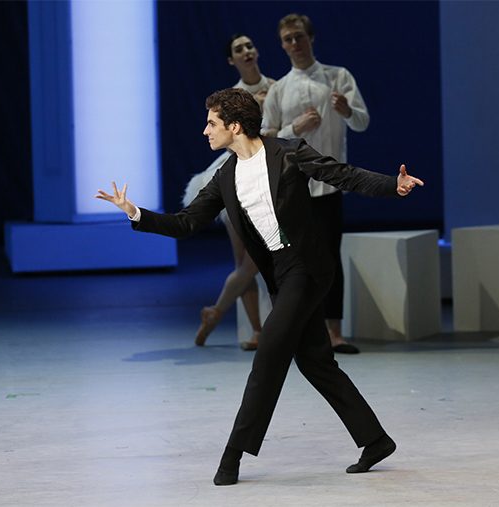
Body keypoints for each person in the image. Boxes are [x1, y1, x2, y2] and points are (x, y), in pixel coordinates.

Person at [95, 88, 423, 486]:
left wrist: (393, 184)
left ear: (234, 126)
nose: (205, 131)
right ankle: (375, 440)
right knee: (316, 363)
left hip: (308, 266)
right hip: (281, 274)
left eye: (212, 123)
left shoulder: (288, 153)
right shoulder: (226, 175)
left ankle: (232, 456)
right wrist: (135, 213)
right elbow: (186, 223)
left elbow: (343, 174)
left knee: (268, 356)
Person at [263, 14, 369, 354]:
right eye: (288, 39)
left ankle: (334, 332)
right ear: (282, 45)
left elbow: (363, 122)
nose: (295, 44)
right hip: (292, 188)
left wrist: (347, 110)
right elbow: (266, 137)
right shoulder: (279, 88)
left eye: (299, 37)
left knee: (328, 259)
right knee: (292, 262)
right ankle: (295, 331)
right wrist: (295, 127)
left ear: (310, 38)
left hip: (328, 186)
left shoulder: (338, 77)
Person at [184, 33, 276, 350]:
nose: (246, 52)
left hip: (266, 175)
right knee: (245, 263)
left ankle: (216, 311)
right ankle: (258, 331)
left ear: (257, 50)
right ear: (231, 60)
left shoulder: (277, 87)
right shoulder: (232, 98)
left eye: (249, 46)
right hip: (239, 176)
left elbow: (282, 133)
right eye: (239, 50)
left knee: (251, 263)